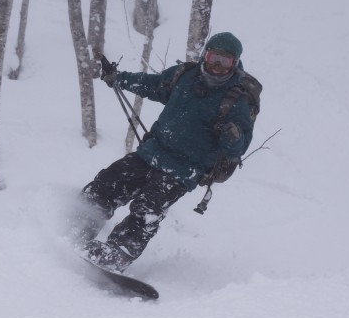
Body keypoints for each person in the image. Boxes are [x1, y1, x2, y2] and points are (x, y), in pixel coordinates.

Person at [72, 32, 258, 273]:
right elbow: (153, 85)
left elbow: (238, 148)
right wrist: (119, 78)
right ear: (205, 55)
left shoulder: (238, 99)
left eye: (225, 61)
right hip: (151, 152)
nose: (216, 66)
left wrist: (232, 135)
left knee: (147, 209)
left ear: (234, 64)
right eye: (213, 58)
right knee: (106, 184)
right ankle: (76, 229)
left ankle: (117, 255)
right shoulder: (186, 75)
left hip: (184, 169)